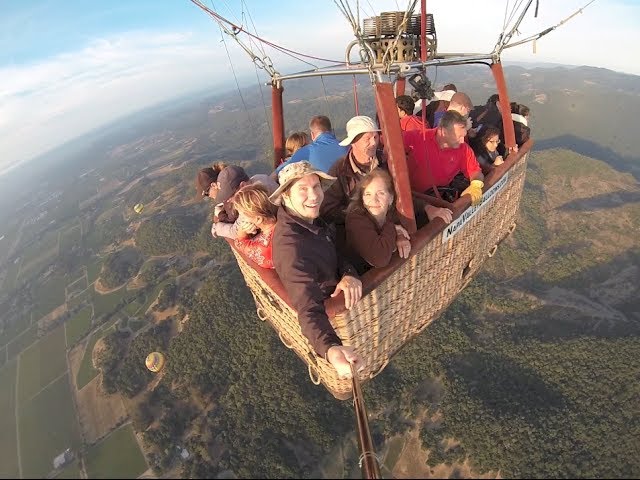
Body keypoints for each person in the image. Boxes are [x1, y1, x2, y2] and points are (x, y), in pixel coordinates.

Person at [270, 161, 363, 379]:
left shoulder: (309, 219)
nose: (313, 196)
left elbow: (332, 248)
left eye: (316, 186)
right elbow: (308, 309)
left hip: (337, 278)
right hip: (332, 302)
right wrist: (331, 348)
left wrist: (348, 273)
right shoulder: (291, 249)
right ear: (285, 196)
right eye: (303, 189)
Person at [403, 110, 485, 209]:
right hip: (410, 199)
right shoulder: (417, 137)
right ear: (443, 132)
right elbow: (391, 146)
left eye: (464, 136)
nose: (462, 141)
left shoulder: (464, 149)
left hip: (439, 200)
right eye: (459, 137)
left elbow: (476, 171)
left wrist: (476, 185)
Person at [321, 115, 385, 225]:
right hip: (356, 228)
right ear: (353, 142)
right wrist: (358, 215)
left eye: (375, 137)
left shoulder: (386, 161)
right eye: (368, 139)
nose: (374, 143)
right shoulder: (339, 170)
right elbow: (328, 208)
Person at [345, 169, 411, 273]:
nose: (374, 200)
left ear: (390, 198)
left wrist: (399, 235)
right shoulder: (356, 219)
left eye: (380, 193)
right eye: (368, 194)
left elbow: (414, 204)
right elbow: (380, 258)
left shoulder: (391, 213)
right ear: (362, 199)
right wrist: (393, 228)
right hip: (364, 279)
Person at [276, 115, 348, 174]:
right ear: (332, 131)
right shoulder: (348, 147)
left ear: (312, 135)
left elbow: (279, 171)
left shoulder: (306, 151)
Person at [230, 184, 277, 269]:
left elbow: (240, 244)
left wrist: (242, 232)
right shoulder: (286, 220)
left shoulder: (263, 248)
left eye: (243, 216)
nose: (241, 220)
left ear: (258, 219)